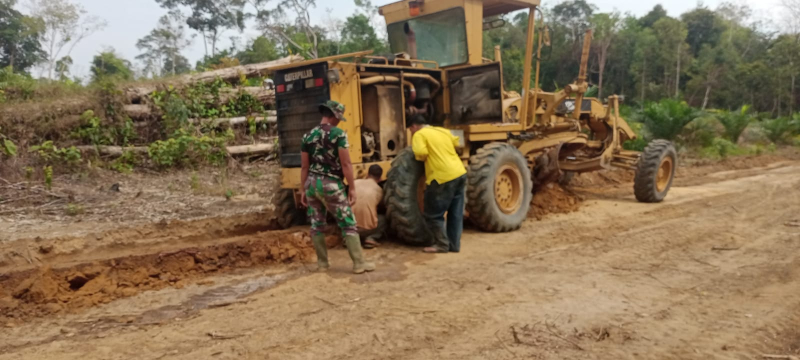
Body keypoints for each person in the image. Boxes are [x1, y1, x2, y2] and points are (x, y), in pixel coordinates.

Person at [300, 100, 376, 274]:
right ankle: (359, 263)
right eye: (339, 117)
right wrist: (352, 187)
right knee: (348, 223)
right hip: (331, 184)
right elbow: (346, 164)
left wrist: (302, 189)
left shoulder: (307, 136)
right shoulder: (339, 134)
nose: (340, 121)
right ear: (334, 116)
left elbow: (304, 166)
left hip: (311, 183)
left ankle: (322, 264)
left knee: (317, 225)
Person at [407, 115, 467, 253]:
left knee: (433, 215)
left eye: (410, 130)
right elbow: (457, 142)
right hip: (459, 173)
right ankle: (454, 245)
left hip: (441, 177)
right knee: (455, 213)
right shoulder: (442, 131)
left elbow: (421, 153)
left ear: (413, 127)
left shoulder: (419, 134)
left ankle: (441, 244)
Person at [353, 165, 386, 248]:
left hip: (349, 228)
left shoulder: (355, 183)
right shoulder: (379, 190)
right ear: (380, 178)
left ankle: (349, 239)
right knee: (383, 219)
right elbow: (382, 206)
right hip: (367, 230)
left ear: (367, 174)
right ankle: (371, 238)